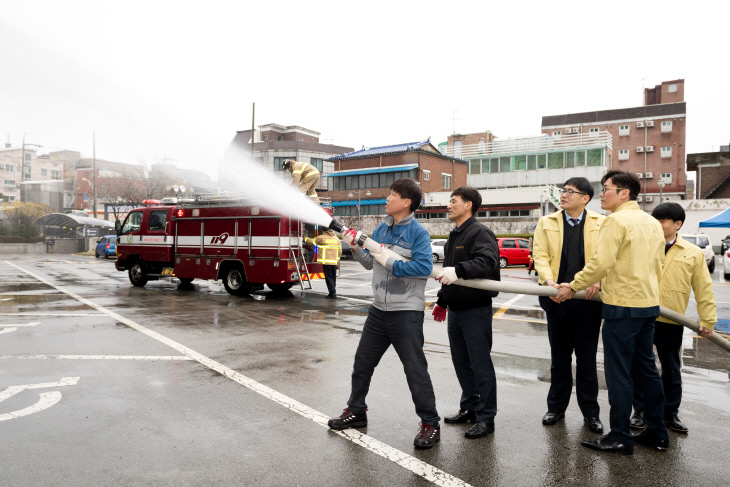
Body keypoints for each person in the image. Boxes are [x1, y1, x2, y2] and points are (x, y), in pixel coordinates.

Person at [554, 170, 668, 455]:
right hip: (647, 304)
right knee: (647, 370)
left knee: (619, 374)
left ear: (624, 193)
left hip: (623, 306)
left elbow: (600, 263)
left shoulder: (615, 221)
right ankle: (657, 432)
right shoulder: (652, 222)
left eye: (606, 189)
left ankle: (619, 435)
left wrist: (573, 285)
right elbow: (658, 264)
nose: (602, 194)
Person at [327, 178, 440, 449]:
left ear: (406, 202)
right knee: (362, 363)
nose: (387, 199)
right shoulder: (381, 227)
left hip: (406, 313)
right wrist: (354, 244)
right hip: (378, 311)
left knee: (415, 370)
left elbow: (424, 268)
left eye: (392, 195)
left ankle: (430, 424)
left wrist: (391, 262)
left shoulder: (418, 233)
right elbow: (368, 263)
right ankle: (356, 411)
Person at [630, 202, 717, 434]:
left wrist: (707, 320)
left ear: (677, 224)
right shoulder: (643, 247)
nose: (657, 224)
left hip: (671, 320)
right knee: (639, 366)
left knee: (670, 368)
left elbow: (703, 288)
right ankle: (639, 411)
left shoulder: (693, 253)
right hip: (641, 314)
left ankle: (670, 413)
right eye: (655, 219)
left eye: (663, 220)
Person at [532, 177, 605, 434]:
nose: (563, 195)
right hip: (556, 299)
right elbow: (539, 254)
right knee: (559, 359)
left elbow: (607, 258)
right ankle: (556, 408)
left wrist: (598, 279)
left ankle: (591, 414)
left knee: (586, 360)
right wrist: (549, 282)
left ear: (585, 198)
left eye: (570, 192)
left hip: (588, 301)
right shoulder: (546, 221)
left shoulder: (601, 223)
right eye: (563, 191)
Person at [431, 187, 501, 439]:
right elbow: (448, 275)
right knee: (462, 364)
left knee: (480, 365)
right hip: (456, 310)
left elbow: (487, 261)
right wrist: (442, 301)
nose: (448, 205)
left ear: (468, 205)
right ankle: (470, 408)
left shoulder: (479, 232)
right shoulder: (454, 236)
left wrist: (459, 270)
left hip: (475, 311)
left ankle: (486, 417)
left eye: (453, 201)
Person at [303, 229, 342, 299]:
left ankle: (332, 294)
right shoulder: (336, 239)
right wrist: (337, 260)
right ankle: (332, 292)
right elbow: (340, 251)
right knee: (333, 278)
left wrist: (304, 238)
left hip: (326, 262)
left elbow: (312, 242)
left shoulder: (321, 237)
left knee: (328, 278)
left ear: (324, 231)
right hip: (334, 262)